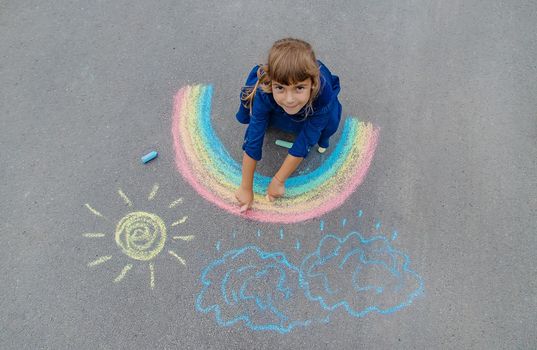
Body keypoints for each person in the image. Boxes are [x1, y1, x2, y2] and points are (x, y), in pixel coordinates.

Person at [235, 38, 342, 212]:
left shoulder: (322, 94)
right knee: (267, 115)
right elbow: (253, 138)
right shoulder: (265, 90)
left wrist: (278, 180)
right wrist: (245, 187)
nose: (289, 98)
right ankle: (282, 111)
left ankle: (323, 140)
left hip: (312, 108)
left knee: (329, 122)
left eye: (299, 88)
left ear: (312, 84)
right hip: (282, 106)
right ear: (271, 83)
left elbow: (305, 140)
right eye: (280, 88)